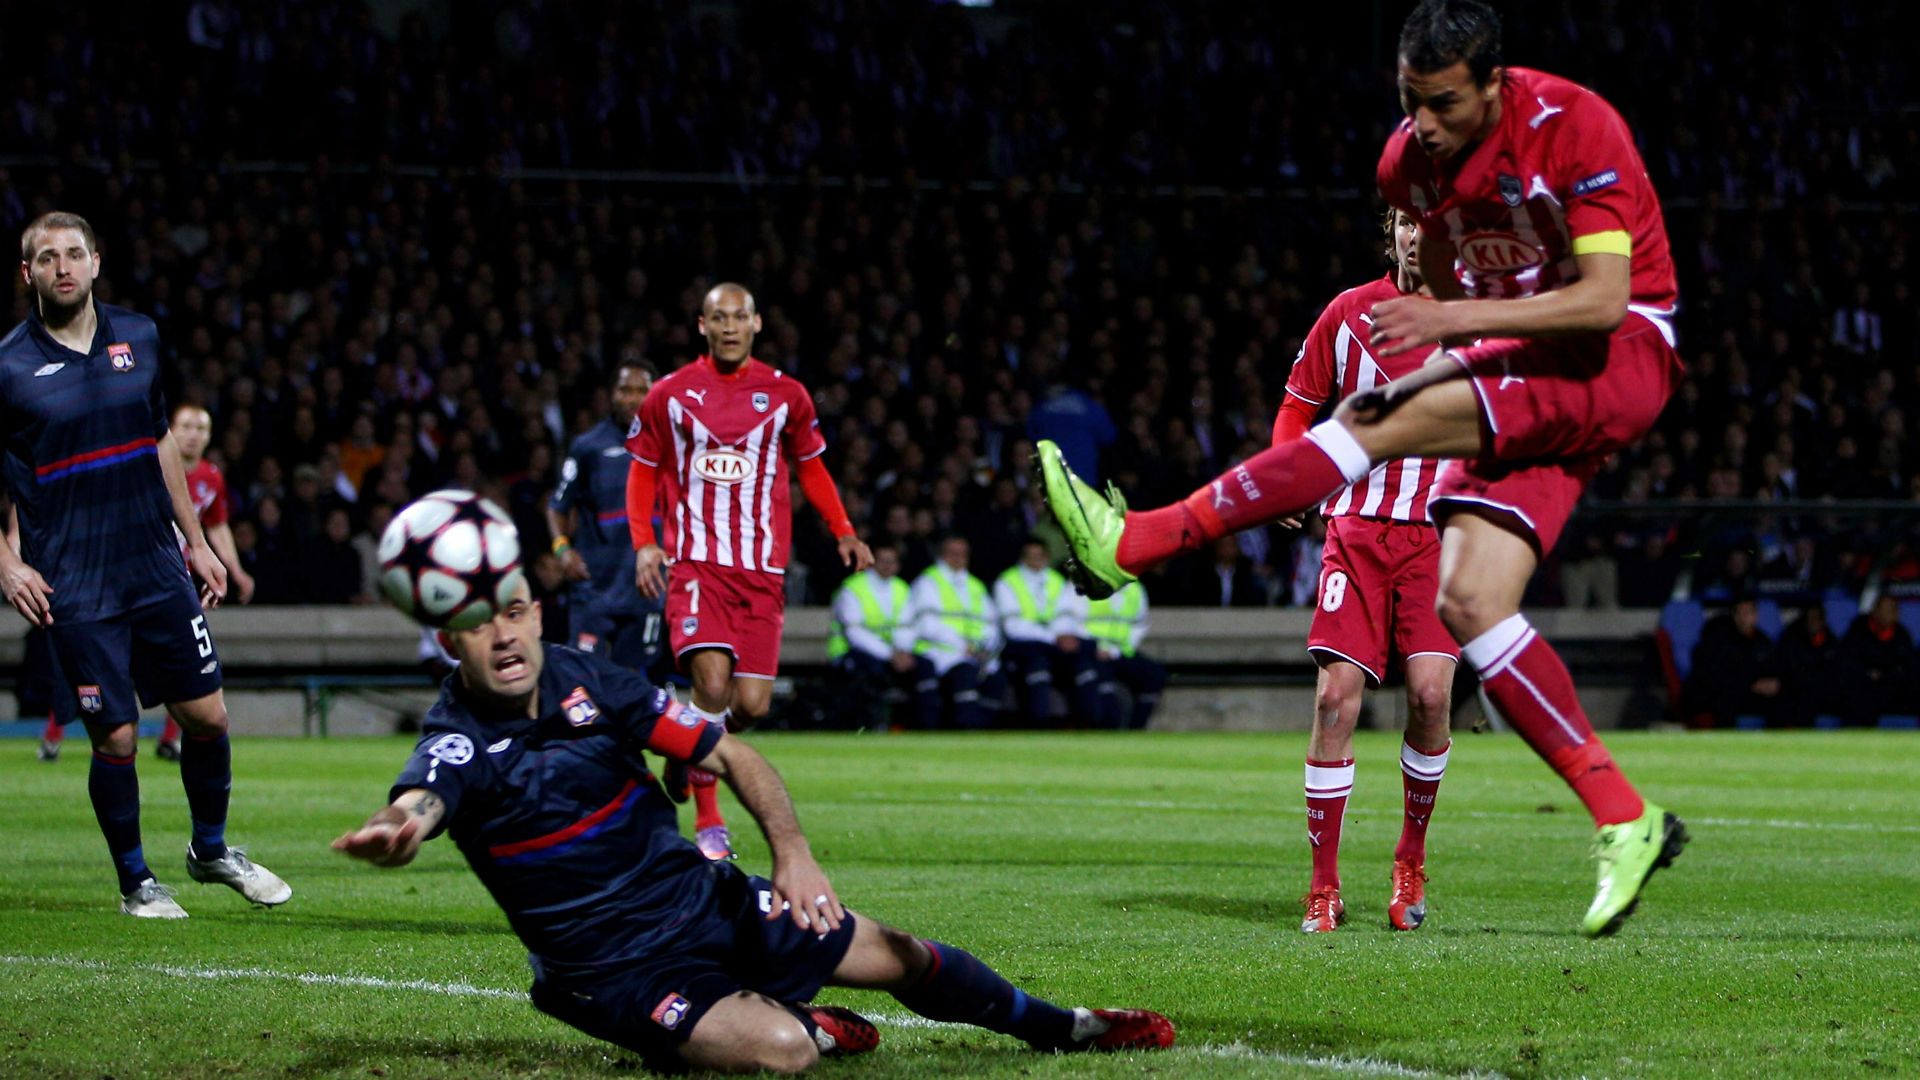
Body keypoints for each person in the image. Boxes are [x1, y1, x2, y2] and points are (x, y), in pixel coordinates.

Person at [1033, 0, 1688, 937]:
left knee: (1375, 420)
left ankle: (1137, 542)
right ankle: (1626, 815)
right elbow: (1471, 280)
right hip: (1512, 386)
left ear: (1495, 86)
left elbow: (1602, 300)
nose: (1424, 123)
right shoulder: (1406, 167)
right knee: (1475, 603)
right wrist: (1462, 318)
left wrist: (1449, 327)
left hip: (1619, 353)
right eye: (1409, 98)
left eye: (1446, 103)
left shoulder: (1577, 125)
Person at [331, 580, 1173, 1073]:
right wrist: (398, 827)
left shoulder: (595, 682)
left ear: (539, 616)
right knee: (783, 1051)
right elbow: (423, 798)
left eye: (514, 611)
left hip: (705, 900)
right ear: (450, 641)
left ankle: (1064, 1026)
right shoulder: (460, 738)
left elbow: (730, 753)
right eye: (479, 625)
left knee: (899, 955)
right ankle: (804, 1021)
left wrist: (794, 854)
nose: (503, 636)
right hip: (611, 969)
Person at [0, 211, 289, 916]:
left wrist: (197, 542)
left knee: (208, 717)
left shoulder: (142, 336)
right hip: (76, 580)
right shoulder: (7, 366)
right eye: (47, 258)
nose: (62, 267)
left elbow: (162, 443)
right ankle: (136, 882)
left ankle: (211, 850)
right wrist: (7, 564)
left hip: (156, 566)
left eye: (74, 254)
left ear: (96, 262)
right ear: (28, 273)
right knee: (119, 733)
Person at [627, 283, 873, 861]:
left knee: (754, 706)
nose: (730, 326)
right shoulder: (669, 395)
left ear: (757, 323)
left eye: (740, 316)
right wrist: (644, 544)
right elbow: (642, 471)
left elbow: (811, 468)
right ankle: (710, 823)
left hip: (761, 571)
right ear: (702, 326)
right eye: (720, 317)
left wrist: (843, 530)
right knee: (711, 684)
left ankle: (686, 745)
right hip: (695, 565)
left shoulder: (786, 394)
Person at [1271, 208, 1458, 934]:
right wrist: (1289, 473)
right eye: (1409, 221)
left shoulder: (1477, 324)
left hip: (1437, 537)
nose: (1420, 233)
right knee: (1333, 704)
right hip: (1355, 530)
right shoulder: (1350, 314)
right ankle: (1324, 886)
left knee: (1434, 697)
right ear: (1395, 233)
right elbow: (1297, 405)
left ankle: (1409, 858)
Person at [40, 402, 256, 762]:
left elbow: (215, 525)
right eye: (186, 426)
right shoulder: (146, 461)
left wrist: (235, 569)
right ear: (171, 427)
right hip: (126, 577)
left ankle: (171, 739)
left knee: (189, 667)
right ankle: (53, 735)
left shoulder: (211, 477)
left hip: (178, 581)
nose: (193, 435)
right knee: (96, 661)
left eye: (201, 428)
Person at [549, 361, 665, 677]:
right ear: (611, 394)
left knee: (634, 682)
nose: (633, 399)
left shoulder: (670, 445)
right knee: (582, 678)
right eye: (625, 390)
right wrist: (562, 549)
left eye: (642, 391)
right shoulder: (589, 446)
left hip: (647, 590)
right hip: (595, 589)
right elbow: (557, 507)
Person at [826, 543, 936, 729]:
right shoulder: (853, 589)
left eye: (892, 561)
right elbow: (855, 633)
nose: (887, 566)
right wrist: (890, 654)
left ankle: (925, 726)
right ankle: (871, 725)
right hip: (851, 652)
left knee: (926, 666)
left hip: (893, 653)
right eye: (882, 561)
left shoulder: (901, 589)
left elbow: (907, 626)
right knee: (872, 670)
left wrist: (902, 652)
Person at [992, 538, 1098, 727]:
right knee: (1038, 664)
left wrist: (1064, 636)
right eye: (1030, 556)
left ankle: (1091, 724)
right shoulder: (1008, 581)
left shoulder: (1057, 581)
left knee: (1084, 660)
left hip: (1055, 644)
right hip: (1024, 646)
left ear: (1047, 557)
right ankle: (1038, 724)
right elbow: (1013, 628)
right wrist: (1054, 637)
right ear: (1022, 558)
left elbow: (1066, 615)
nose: (1035, 560)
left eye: (1039, 556)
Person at [908, 535, 1000, 730]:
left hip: (975, 652)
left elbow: (991, 624)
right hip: (939, 649)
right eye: (953, 553)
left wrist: (982, 647)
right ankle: (966, 728)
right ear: (942, 555)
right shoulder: (928, 582)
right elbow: (927, 625)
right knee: (964, 673)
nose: (958, 558)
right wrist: (962, 646)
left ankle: (987, 728)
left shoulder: (975, 586)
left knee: (997, 678)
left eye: (963, 554)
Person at [1682, 597, 1780, 728]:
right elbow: (1716, 676)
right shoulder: (1720, 640)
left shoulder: (1762, 641)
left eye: (1747, 613)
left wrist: (1773, 682)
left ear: (1756, 616)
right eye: (1739, 613)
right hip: (1726, 694)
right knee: (1725, 701)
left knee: (1782, 700)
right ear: (1733, 616)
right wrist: (1750, 685)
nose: (1743, 618)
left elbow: (1772, 669)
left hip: (1753, 696)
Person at [1085, 581, 1164, 730]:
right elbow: (1074, 621)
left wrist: (1117, 649)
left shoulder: (1135, 589)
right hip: (1093, 650)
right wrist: (1095, 647)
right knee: (1101, 681)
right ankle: (1108, 726)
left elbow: (1141, 624)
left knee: (1155, 674)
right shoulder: (1088, 582)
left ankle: (1136, 727)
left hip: (1122, 651)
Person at [1837, 595, 1918, 726]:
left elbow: (1908, 667)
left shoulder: (1902, 635)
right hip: (1862, 688)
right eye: (1887, 609)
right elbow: (1846, 662)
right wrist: (1867, 673)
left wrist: (1886, 675)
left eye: (1894, 609)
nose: (1892, 614)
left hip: (1891, 689)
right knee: (1856, 695)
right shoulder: (1858, 631)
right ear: (1875, 611)